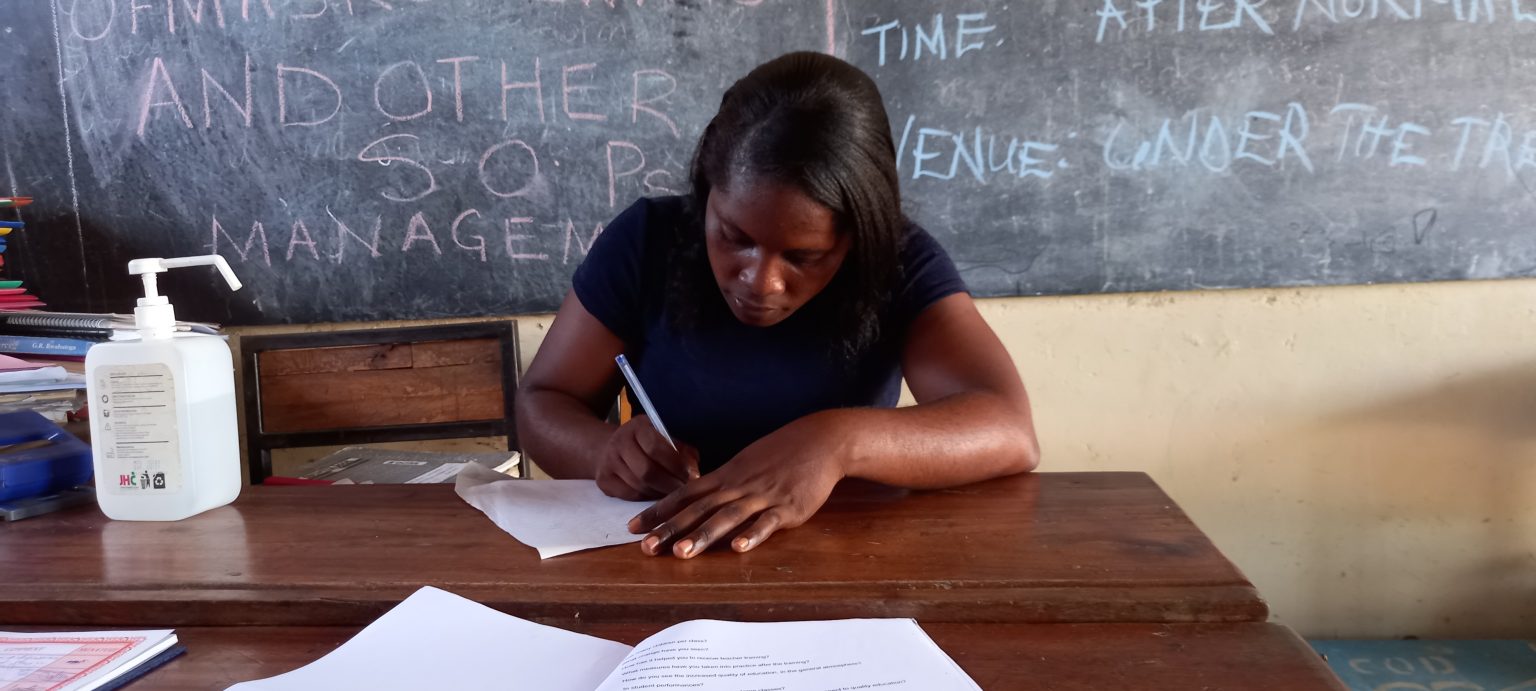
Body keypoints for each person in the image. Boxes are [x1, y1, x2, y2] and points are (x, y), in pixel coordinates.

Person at [517, 51, 1039, 559]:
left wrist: (835, 442)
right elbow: (542, 400)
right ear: (707, 194)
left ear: (855, 238)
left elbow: (1009, 430)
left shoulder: (898, 263)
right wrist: (605, 453)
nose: (761, 282)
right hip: (668, 551)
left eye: (803, 256)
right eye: (734, 236)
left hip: (844, 557)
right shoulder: (648, 240)